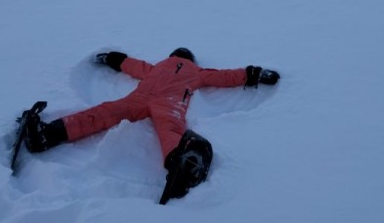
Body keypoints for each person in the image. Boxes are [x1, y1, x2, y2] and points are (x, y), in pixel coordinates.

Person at [23, 47, 279, 200]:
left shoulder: (156, 67)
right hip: (170, 103)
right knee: (170, 129)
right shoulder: (199, 73)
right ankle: (181, 161)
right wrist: (256, 74)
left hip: (141, 98)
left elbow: (132, 65)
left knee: (105, 112)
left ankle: (49, 133)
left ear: (172, 55)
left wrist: (111, 58)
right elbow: (227, 77)